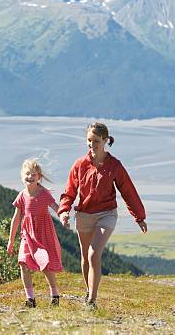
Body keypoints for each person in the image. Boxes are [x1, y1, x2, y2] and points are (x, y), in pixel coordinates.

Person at [58, 122, 147, 309]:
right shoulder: (80, 164)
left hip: (106, 214)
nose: (92, 145)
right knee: (84, 257)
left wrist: (139, 216)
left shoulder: (114, 165)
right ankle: (88, 291)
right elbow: (69, 191)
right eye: (89, 141)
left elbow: (128, 191)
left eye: (96, 141)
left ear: (105, 141)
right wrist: (64, 210)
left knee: (93, 255)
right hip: (84, 215)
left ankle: (91, 300)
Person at [7, 159, 63, 308]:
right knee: (23, 263)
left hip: (43, 234)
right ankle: (30, 299)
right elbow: (16, 218)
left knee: (45, 266)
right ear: (22, 176)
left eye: (33, 174)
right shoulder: (21, 196)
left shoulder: (44, 194)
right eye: (27, 173)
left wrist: (63, 216)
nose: (30, 176)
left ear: (39, 177)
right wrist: (11, 240)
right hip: (27, 235)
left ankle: (55, 294)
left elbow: (56, 207)